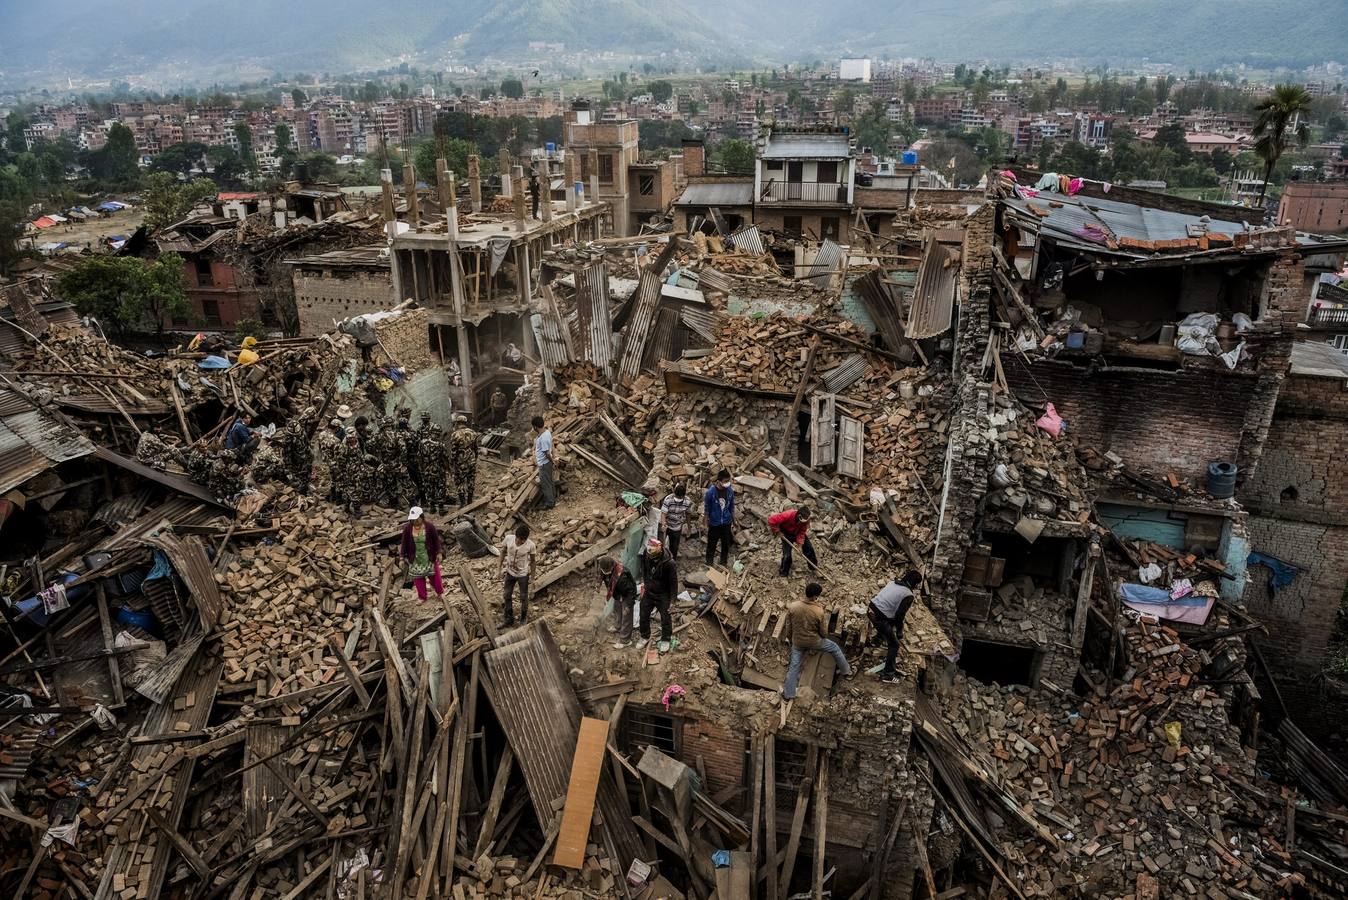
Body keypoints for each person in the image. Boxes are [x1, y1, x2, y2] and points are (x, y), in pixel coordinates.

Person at [782, 582, 852, 701]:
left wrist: (790, 639)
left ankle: (788, 695)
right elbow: (824, 633)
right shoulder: (818, 611)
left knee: (794, 666)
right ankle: (847, 672)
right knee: (834, 648)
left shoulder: (793, 607)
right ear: (815, 596)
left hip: (798, 642)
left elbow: (788, 627)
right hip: (815, 642)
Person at [868, 571, 921, 683]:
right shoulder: (908, 595)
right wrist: (899, 631)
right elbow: (900, 615)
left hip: (871, 608)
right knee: (894, 645)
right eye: (917, 584)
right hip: (880, 617)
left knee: (888, 623)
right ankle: (888, 674)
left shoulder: (893, 583)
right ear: (914, 584)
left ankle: (876, 641)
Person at [638, 537, 678, 653]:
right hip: (649, 591)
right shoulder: (647, 553)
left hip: (663, 594)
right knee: (643, 613)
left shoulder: (669, 563)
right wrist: (645, 584)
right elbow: (644, 568)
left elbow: (674, 583)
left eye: (654, 557)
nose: (651, 559)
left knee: (666, 617)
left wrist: (673, 601)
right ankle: (644, 636)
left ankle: (666, 638)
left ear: (659, 553)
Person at [400, 507, 444, 603]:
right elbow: (404, 543)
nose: (414, 521)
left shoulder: (429, 527)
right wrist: (402, 558)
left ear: (421, 517)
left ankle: (439, 593)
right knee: (418, 578)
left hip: (429, 556)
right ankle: (422, 597)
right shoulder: (407, 528)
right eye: (412, 520)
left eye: (416, 519)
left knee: (434, 576)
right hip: (415, 558)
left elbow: (436, 541)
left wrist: (439, 553)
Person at [500, 522, 536, 626]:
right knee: (506, 595)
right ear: (516, 536)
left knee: (524, 597)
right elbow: (502, 552)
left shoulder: (531, 545)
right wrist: (499, 569)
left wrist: (533, 579)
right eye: (519, 539)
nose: (520, 542)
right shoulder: (508, 539)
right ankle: (509, 619)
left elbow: (533, 562)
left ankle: (523, 619)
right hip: (510, 573)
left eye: (523, 540)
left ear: (526, 539)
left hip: (523, 575)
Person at [599, 555, 638, 649]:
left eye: (607, 570)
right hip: (617, 593)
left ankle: (625, 640)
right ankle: (617, 626)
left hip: (627, 595)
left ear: (612, 567)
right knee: (617, 609)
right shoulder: (604, 568)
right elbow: (602, 575)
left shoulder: (622, 576)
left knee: (626, 617)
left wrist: (628, 606)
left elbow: (631, 591)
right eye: (604, 571)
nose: (605, 572)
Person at [769, 505, 816, 577]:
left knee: (809, 548)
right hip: (786, 534)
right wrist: (778, 532)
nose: (805, 521)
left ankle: (813, 568)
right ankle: (783, 573)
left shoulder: (806, 520)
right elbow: (771, 520)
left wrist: (800, 545)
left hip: (797, 532)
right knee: (787, 555)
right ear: (799, 516)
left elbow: (802, 532)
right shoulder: (787, 515)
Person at [703, 470, 735, 568]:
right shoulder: (710, 492)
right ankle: (709, 562)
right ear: (719, 481)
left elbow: (731, 507)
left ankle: (723, 562)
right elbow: (707, 509)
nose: (727, 483)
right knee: (712, 544)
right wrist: (705, 524)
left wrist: (734, 520)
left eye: (728, 481)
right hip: (714, 523)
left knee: (726, 543)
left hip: (726, 521)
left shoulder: (730, 491)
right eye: (725, 481)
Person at [449, 414, 480, 506]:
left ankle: (463, 503)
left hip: (460, 462)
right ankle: (470, 500)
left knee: (460, 481)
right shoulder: (473, 433)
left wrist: (452, 462)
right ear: (466, 423)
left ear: (457, 423)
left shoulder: (455, 434)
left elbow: (453, 451)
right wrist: (474, 458)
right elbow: (476, 448)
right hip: (472, 461)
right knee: (471, 480)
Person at [660, 483, 693, 559]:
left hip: (677, 527)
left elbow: (688, 515)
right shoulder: (668, 499)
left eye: (680, 497)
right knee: (661, 546)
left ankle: (672, 562)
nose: (678, 499)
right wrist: (663, 524)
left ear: (684, 496)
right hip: (667, 525)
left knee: (674, 547)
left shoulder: (687, 501)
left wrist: (689, 528)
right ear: (674, 493)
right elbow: (663, 513)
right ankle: (662, 561)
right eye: (677, 497)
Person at [532, 416, 556, 510]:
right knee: (549, 481)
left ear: (535, 426)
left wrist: (552, 461)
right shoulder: (546, 432)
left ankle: (550, 503)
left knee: (545, 484)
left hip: (544, 464)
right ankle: (553, 498)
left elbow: (547, 453)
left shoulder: (543, 438)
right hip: (546, 463)